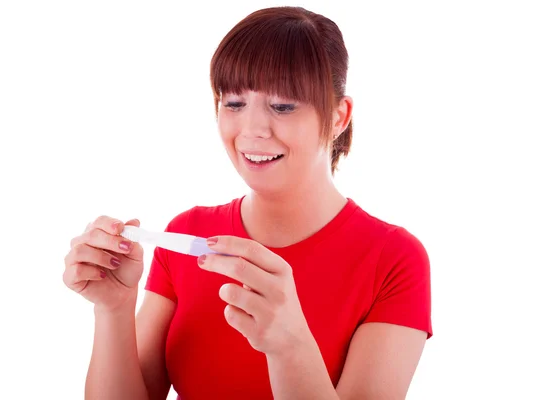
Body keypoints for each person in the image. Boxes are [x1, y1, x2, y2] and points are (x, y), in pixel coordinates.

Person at [63, 6, 432, 400]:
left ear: (340, 116)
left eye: (284, 106)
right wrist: (114, 309)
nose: (252, 130)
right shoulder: (188, 235)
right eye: (234, 103)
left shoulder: (394, 259)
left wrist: (289, 346)